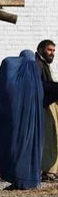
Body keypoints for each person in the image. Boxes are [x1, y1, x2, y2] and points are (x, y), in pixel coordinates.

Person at [0, 50, 44, 190]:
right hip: (33, 122)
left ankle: (18, 178)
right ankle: (29, 178)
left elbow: (1, 95)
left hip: (16, 121)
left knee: (16, 146)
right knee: (29, 148)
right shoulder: (35, 77)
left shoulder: (14, 78)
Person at [37, 39, 58, 181]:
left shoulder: (43, 64)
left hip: (49, 104)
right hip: (44, 106)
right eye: (49, 50)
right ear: (41, 50)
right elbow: (42, 86)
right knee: (49, 139)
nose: (52, 53)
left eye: (53, 50)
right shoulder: (38, 65)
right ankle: (47, 171)